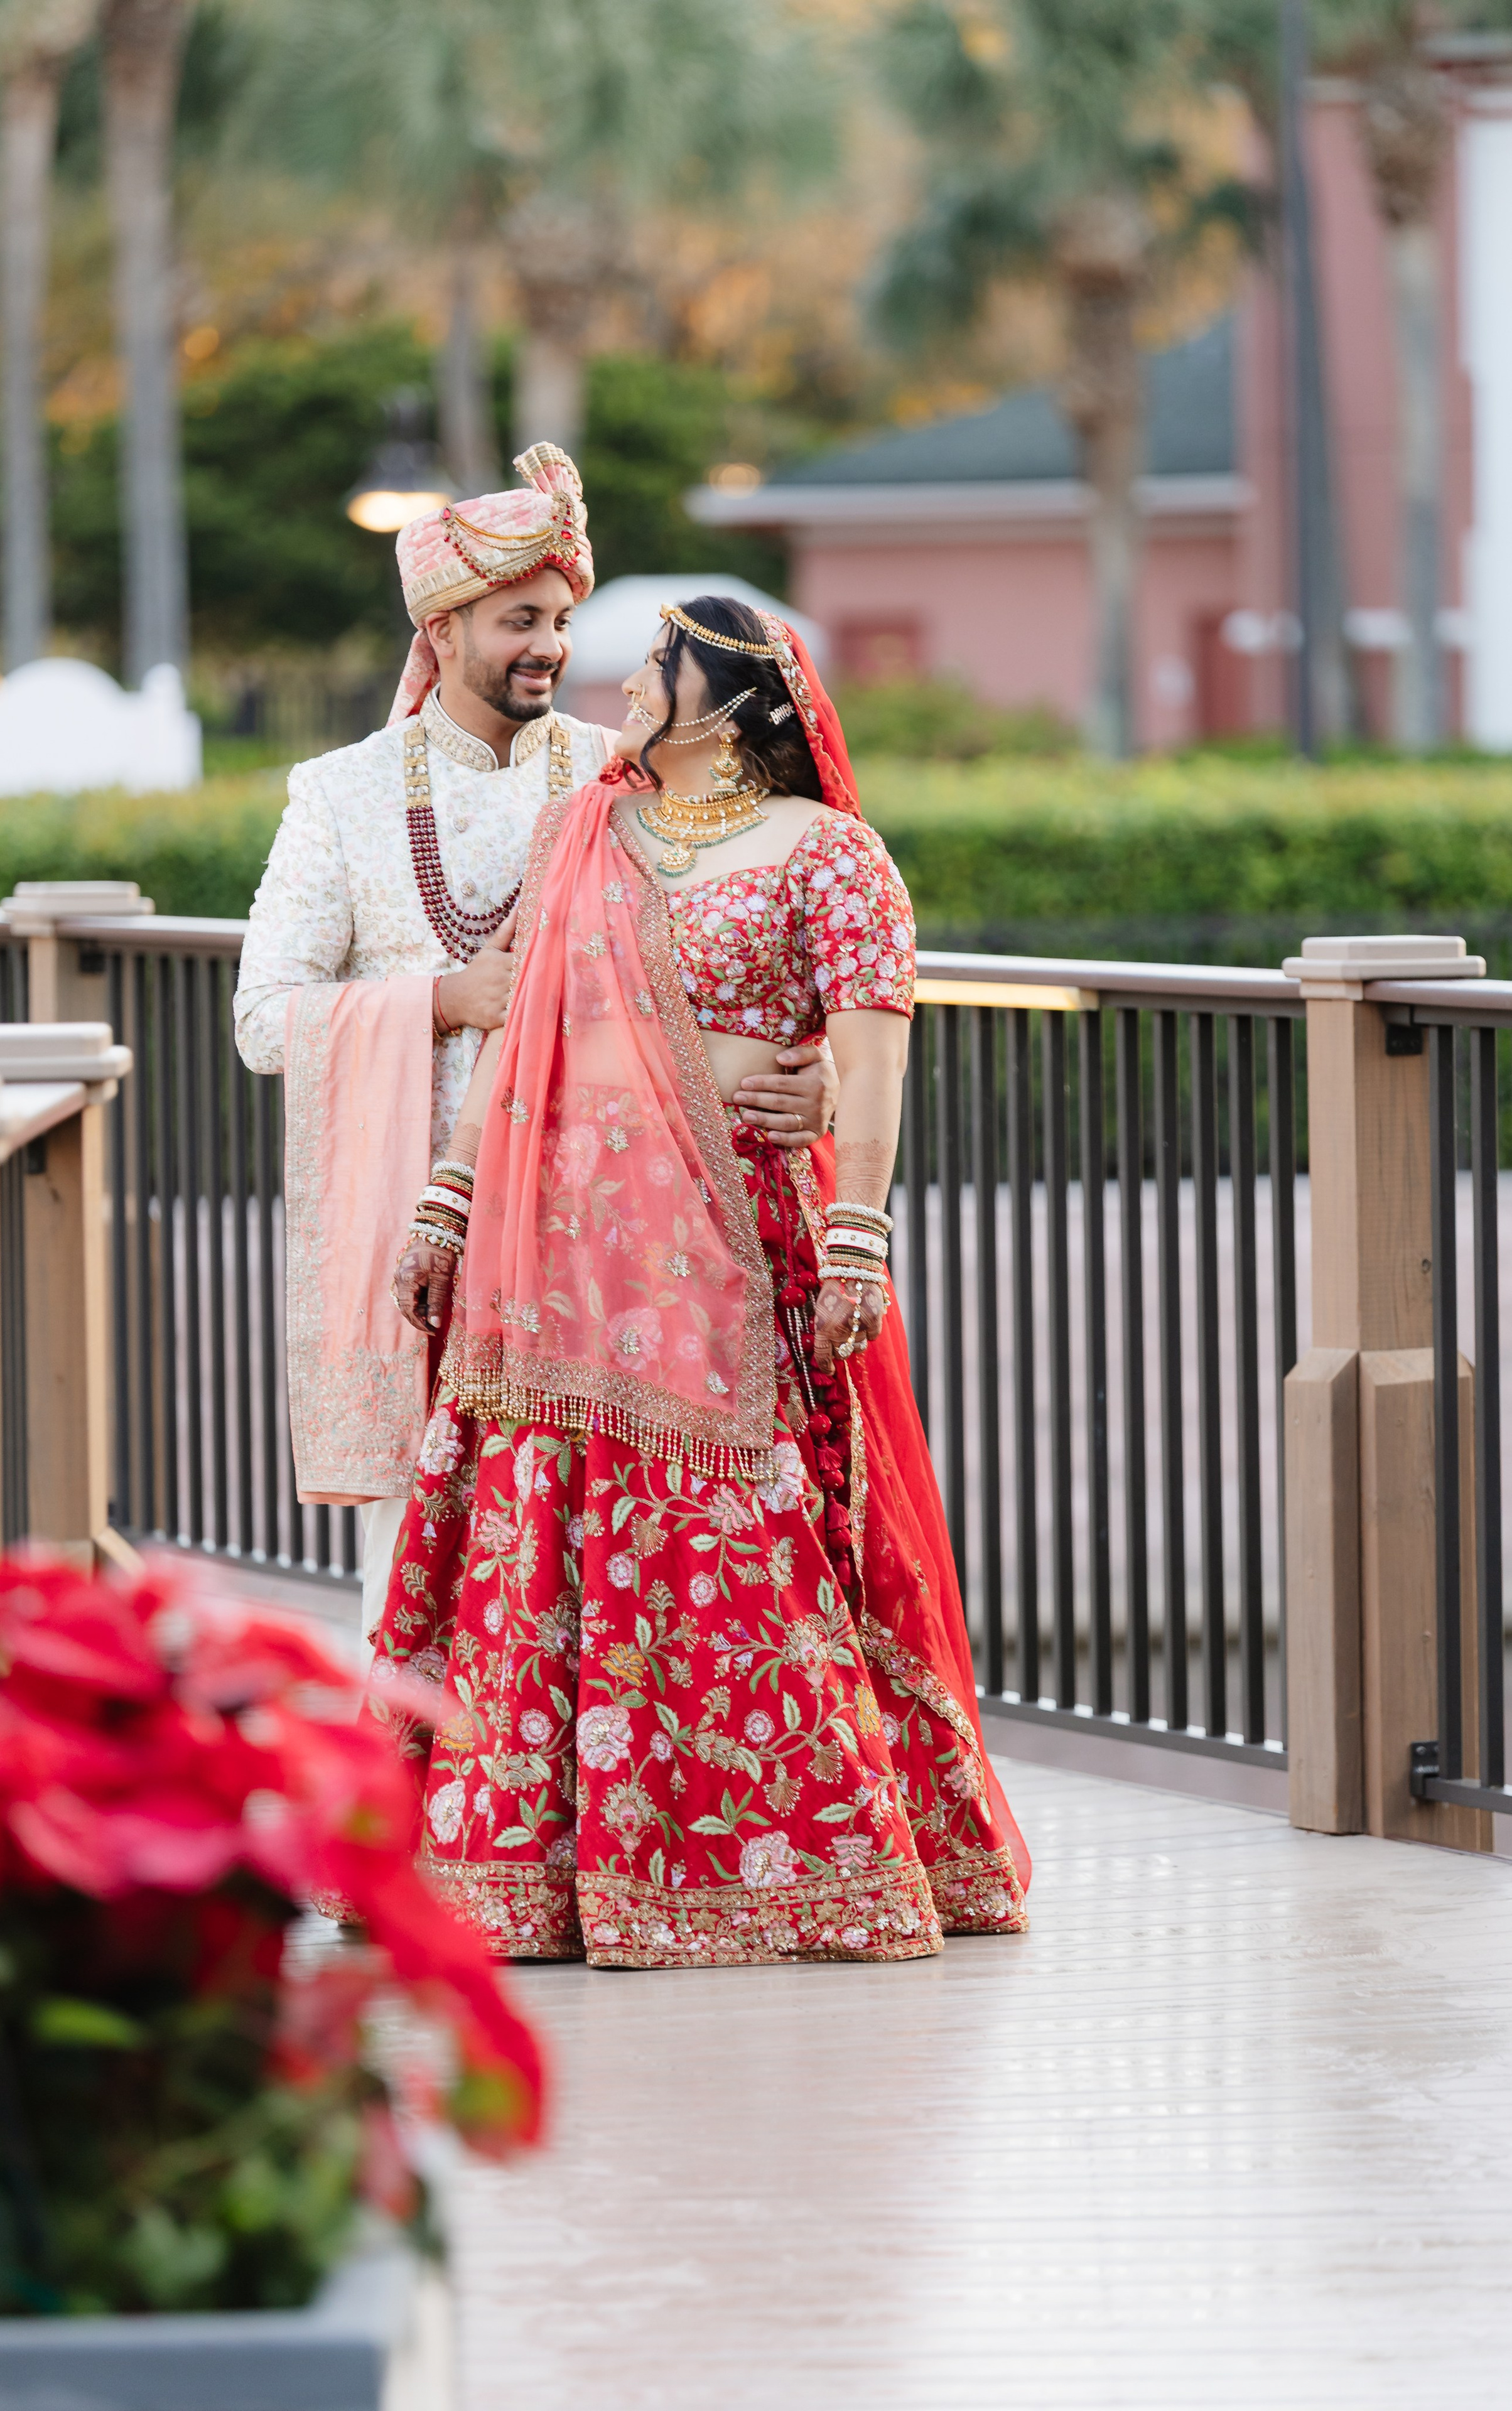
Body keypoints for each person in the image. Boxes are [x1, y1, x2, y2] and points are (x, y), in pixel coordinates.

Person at [370, 594, 1030, 1970]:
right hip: (554, 1248)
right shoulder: (581, 836)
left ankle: (775, 1855)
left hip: (733, 1248)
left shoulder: (830, 858)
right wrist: (444, 1201)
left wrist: (857, 1229)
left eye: (658, 666)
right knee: (534, 1533)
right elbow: (518, 1040)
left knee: (746, 1534)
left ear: (731, 705)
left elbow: (872, 1061)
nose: (623, 684)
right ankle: (525, 1873)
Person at [233, 452, 834, 1626]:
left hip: (598, 1230)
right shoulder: (343, 796)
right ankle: (409, 1801)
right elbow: (264, 1018)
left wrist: (803, 1087)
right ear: (443, 630)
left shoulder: (621, 781)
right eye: (520, 621)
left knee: (584, 1561)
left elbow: (733, 955)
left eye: (560, 619)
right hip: (425, 1221)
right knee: (418, 1554)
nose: (551, 647)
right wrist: (446, 1002)